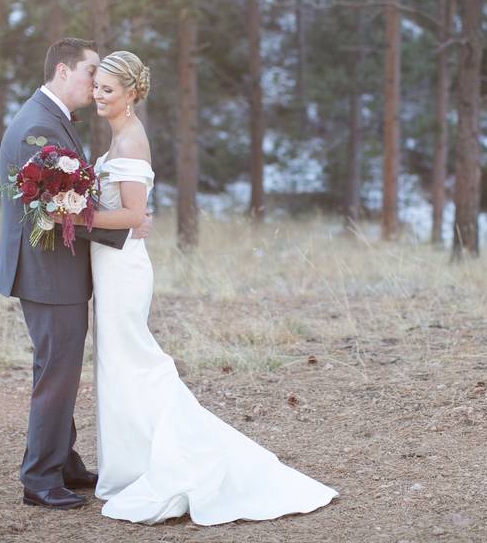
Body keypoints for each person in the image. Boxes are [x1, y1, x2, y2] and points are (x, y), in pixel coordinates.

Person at [77, 50, 338, 525]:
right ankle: (131, 464)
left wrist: (74, 215)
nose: (97, 94)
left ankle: (174, 458)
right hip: (110, 264)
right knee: (117, 366)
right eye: (96, 86)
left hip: (123, 268)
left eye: (108, 89)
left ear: (131, 93)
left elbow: (134, 216)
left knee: (135, 363)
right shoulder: (119, 137)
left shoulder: (132, 141)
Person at [0, 38, 152, 510]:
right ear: (63, 71)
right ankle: (40, 479)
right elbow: (49, 210)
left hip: (56, 270)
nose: (95, 83)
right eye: (89, 72)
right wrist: (125, 223)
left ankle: (64, 463)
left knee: (59, 368)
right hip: (47, 273)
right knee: (57, 373)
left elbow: (70, 202)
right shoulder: (37, 126)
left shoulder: (52, 119)